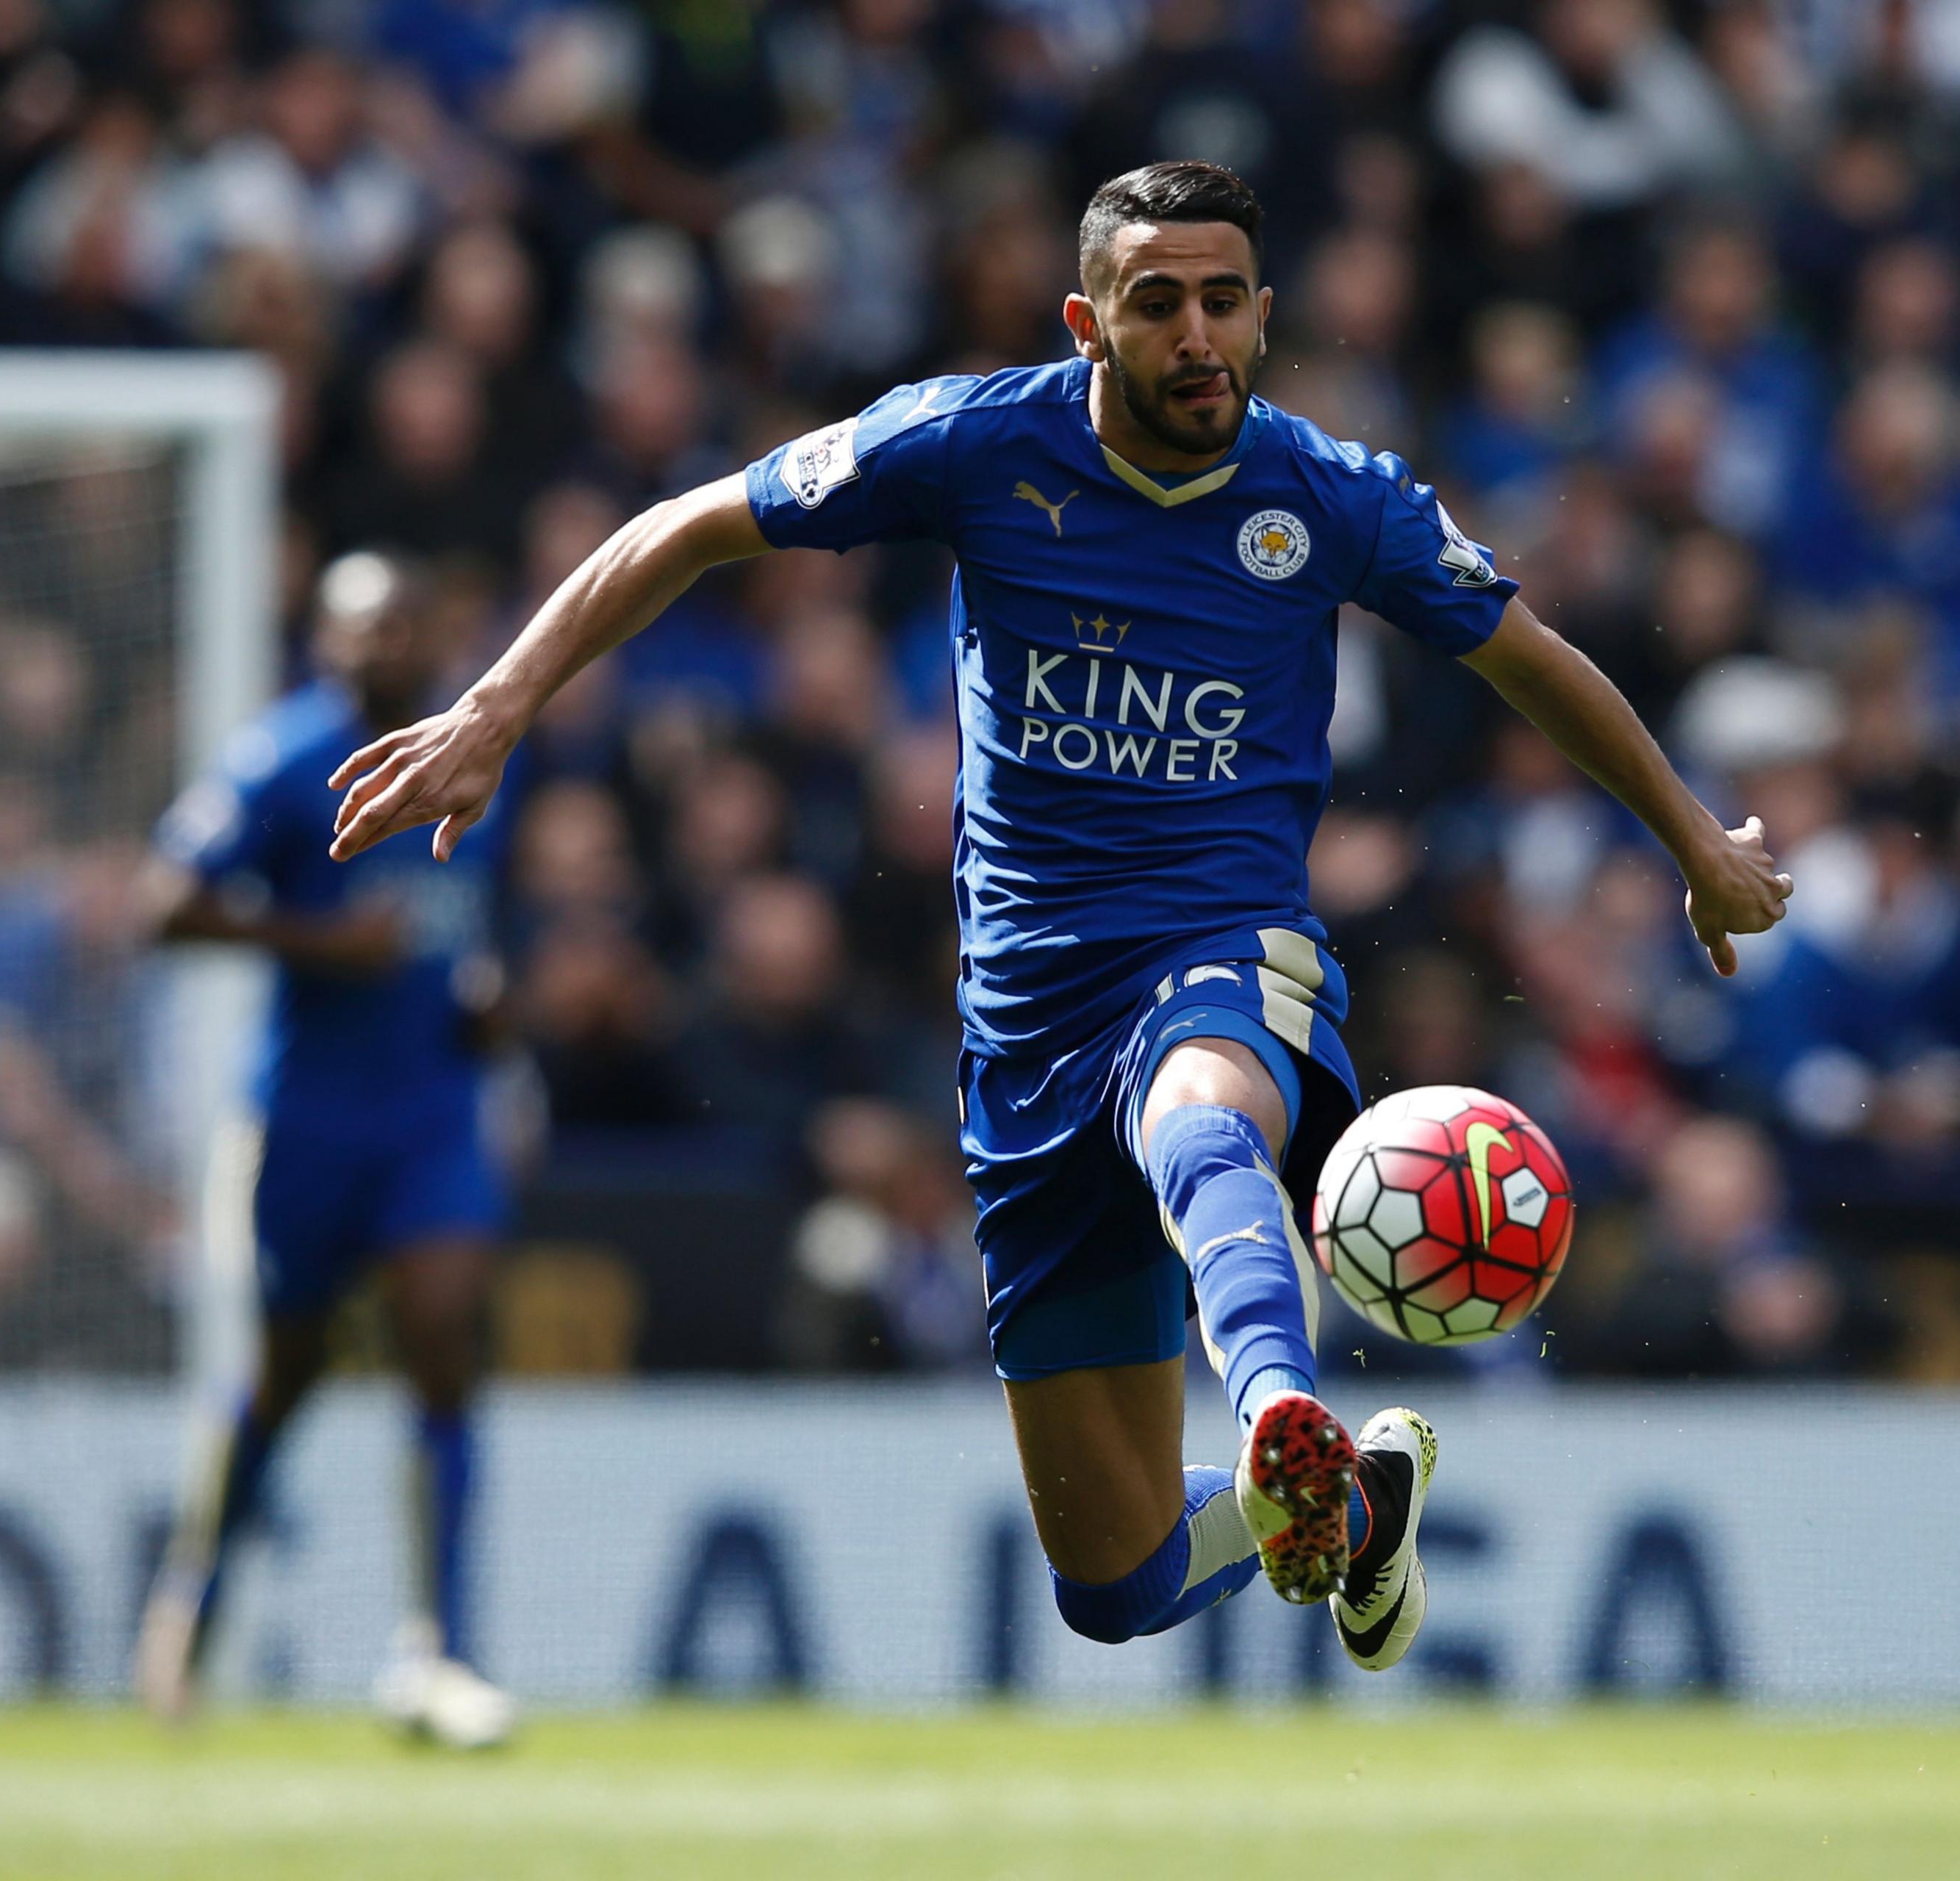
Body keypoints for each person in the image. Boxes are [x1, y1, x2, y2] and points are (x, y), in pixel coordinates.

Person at [326, 163, 1790, 1672]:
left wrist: (1692, 838)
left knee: (1199, 1113)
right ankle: (1355, 1509)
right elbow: (691, 524)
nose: (1200, 333)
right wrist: (498, 709)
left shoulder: (1334, 497)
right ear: (1091, 323)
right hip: (1027, 1026)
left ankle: (1281, 1402)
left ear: (1267, 316)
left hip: (1224, 951)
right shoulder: (974, 442)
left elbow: (1526, 654)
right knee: (1116, 1579)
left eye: (1226, 300)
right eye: (1159, 304)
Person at [134, 551, 517, 1747]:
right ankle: (190, 1600)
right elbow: (165, 903)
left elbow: (470, 925)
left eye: (410, 623)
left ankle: (438, 1650)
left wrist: (486, 998)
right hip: (305, 1119)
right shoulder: (283, 760)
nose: (392, 644)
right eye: (369, 627)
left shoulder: (473, 746)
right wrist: (320, 942)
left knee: (444, 1333)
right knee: (286, 1375)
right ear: (324, 640)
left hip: (432, 1113)